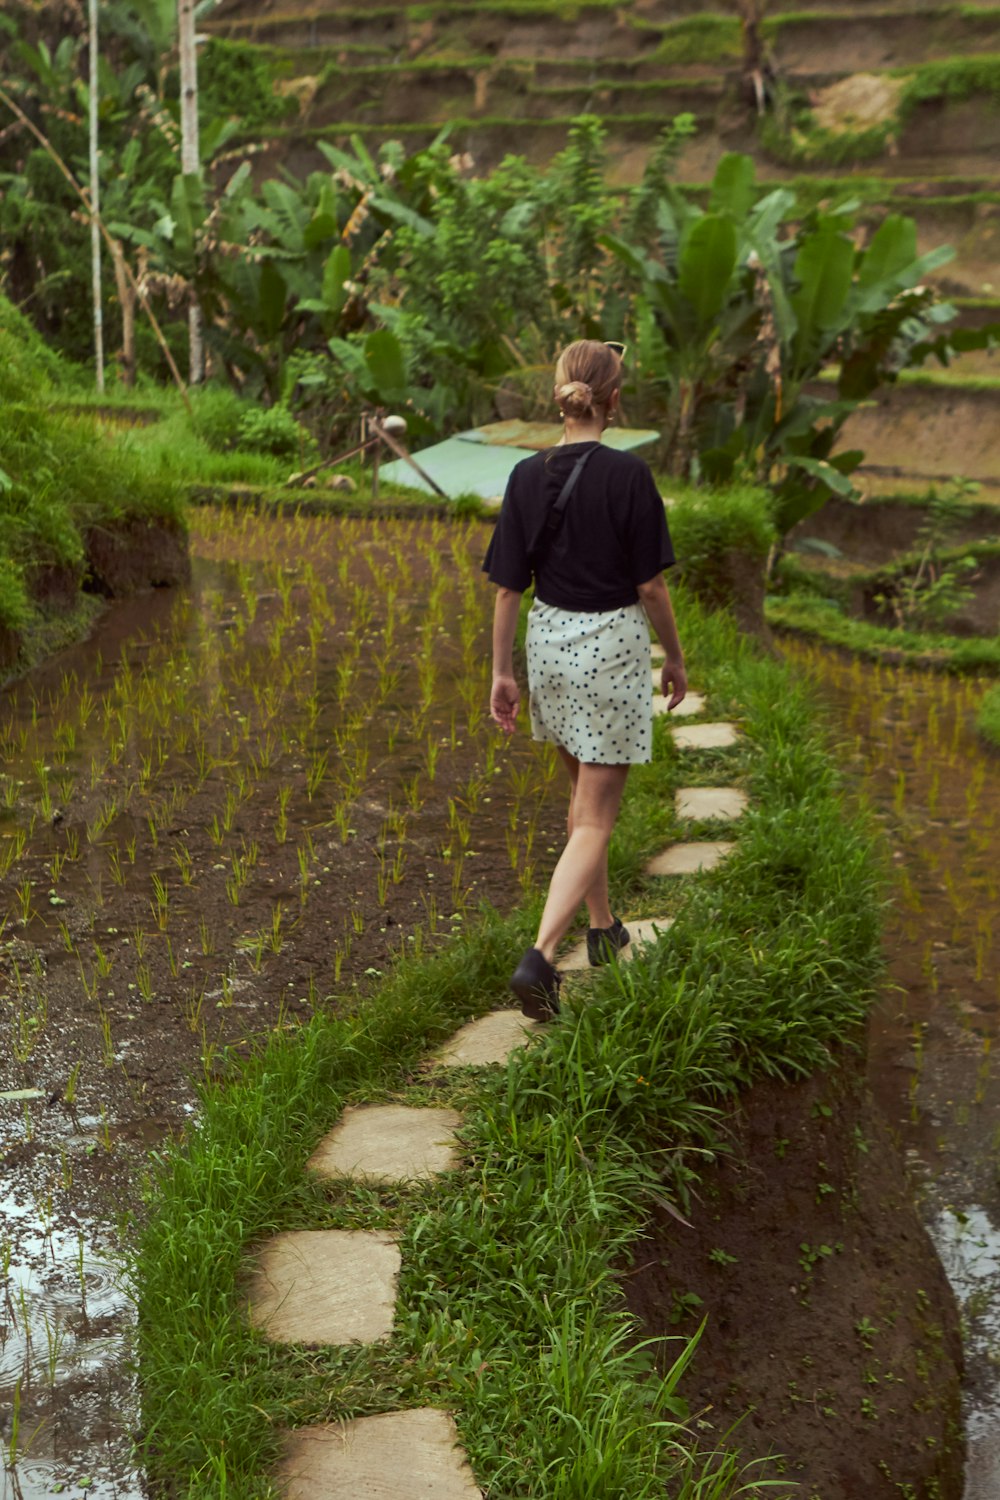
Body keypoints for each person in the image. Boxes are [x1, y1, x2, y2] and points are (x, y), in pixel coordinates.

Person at [483, 339, 687, 1021]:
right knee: (597, 817)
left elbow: (508, 590)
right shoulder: (628, 476)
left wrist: (501, 673)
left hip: (548, 647)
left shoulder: (523, 476)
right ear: (615, 400)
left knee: (581, 801)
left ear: (560, 394)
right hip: (608, 651)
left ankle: (603, 930)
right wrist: (677, 658)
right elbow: (651, 585)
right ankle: (540, 959)